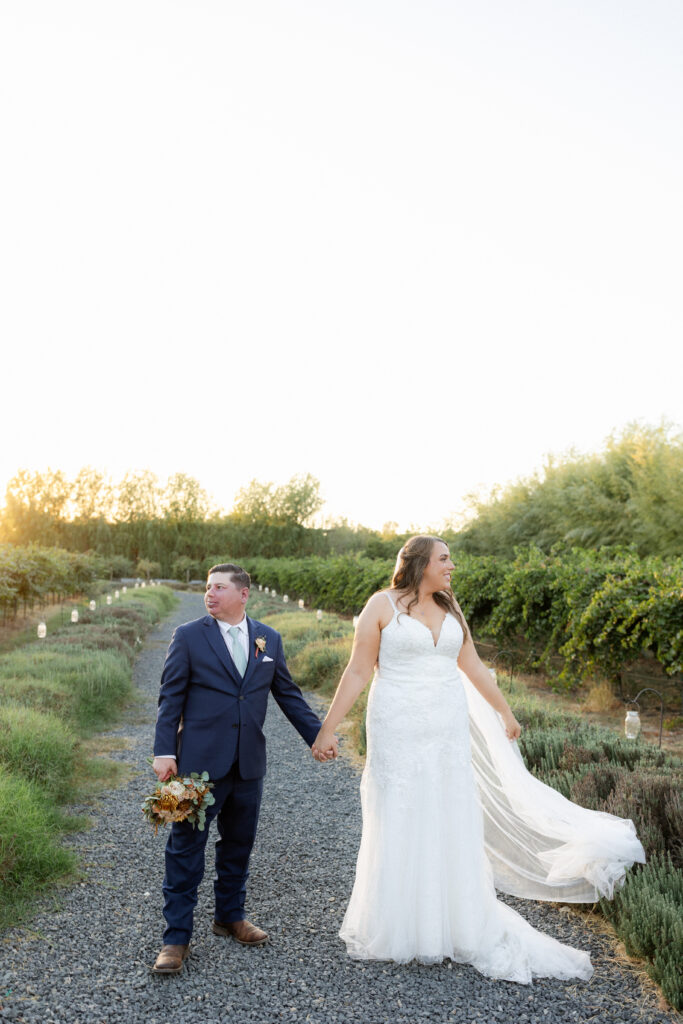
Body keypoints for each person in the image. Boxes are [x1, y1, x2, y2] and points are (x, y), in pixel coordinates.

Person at [312, 536, 645, 984]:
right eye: (444, 559)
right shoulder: (381, 606)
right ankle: (400, 924)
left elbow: (473, 666)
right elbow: (357, 670)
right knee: (401, 811)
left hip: (446, 728)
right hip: (398, 725)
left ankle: (455, 920)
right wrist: (329, 728)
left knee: (448, 810)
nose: (452, 566)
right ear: (419, 564)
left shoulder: (451, 608)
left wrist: (505, 711)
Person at [151, 562, 337, 975]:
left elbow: (288, 694)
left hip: (248, 764)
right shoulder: (188, 636)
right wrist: (164, 750)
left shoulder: (268, 638)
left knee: (238, 846)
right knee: (184, 851)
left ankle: (229, 918)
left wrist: (318, 736)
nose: (210, 594)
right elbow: (170, 697)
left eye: (219, 587)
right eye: (207, 587)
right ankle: (175, 939)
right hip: (192, 769)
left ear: (243, 594)